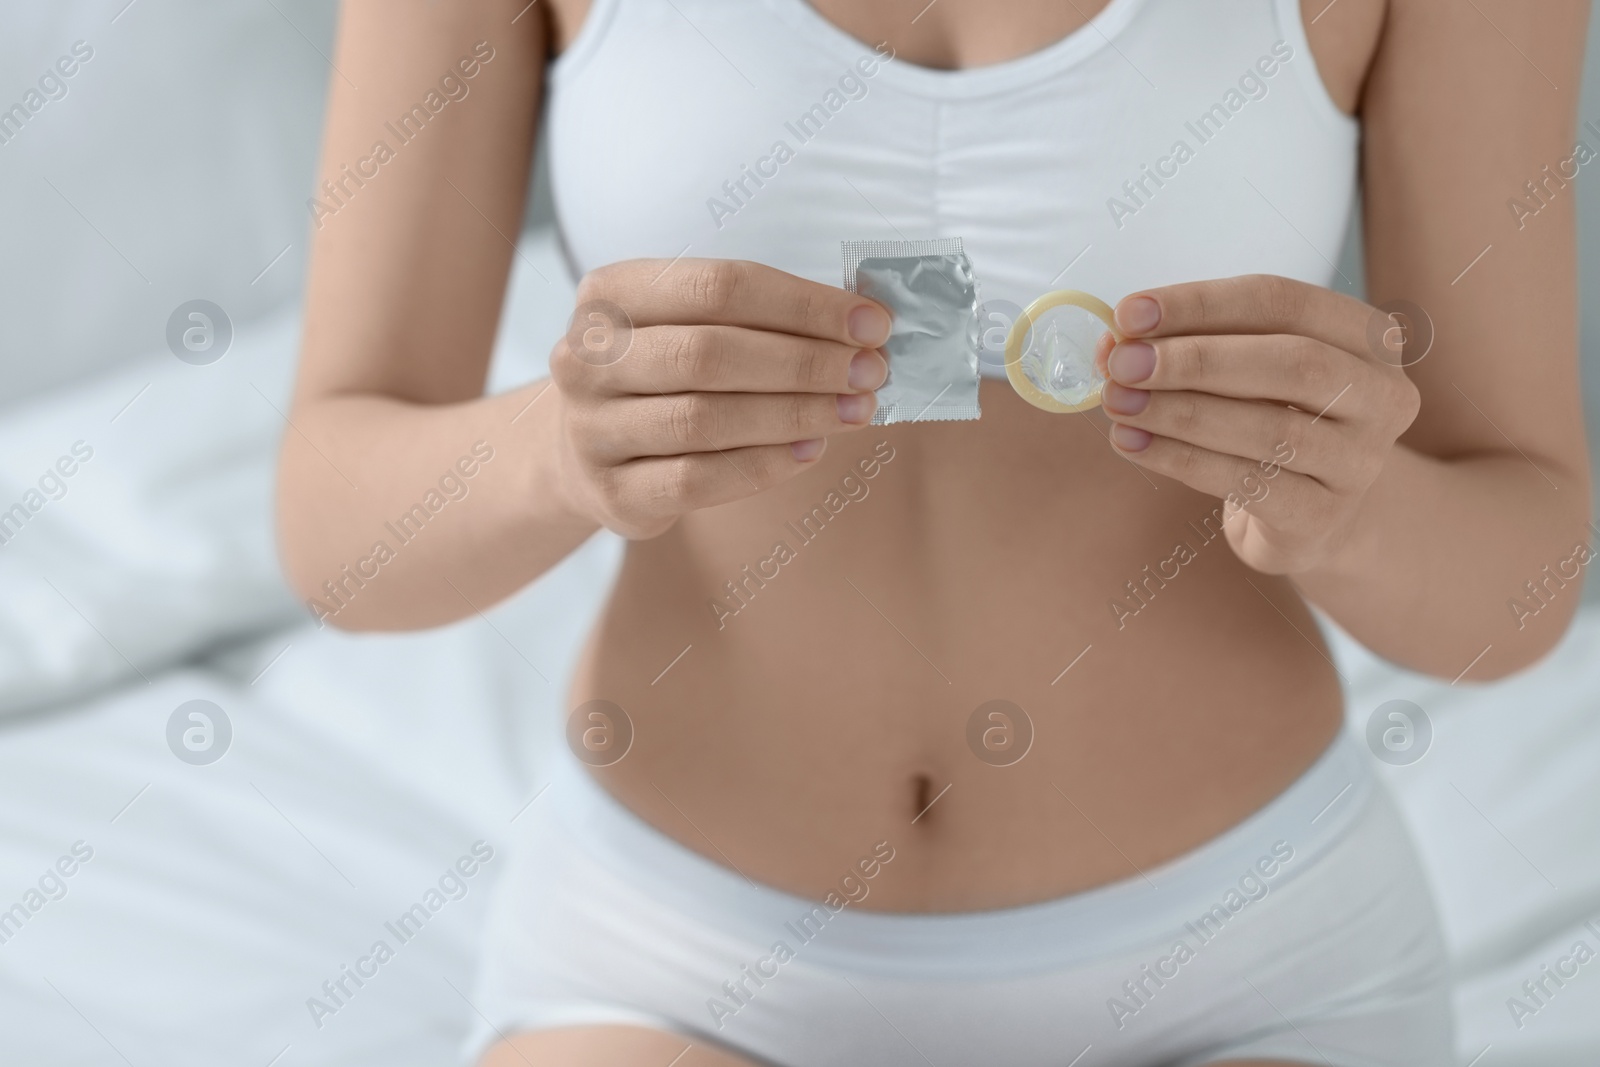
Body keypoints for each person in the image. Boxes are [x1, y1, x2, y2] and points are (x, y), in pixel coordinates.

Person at [277, 0, 1591, 1063]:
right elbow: (335, 530)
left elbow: (1521, 581)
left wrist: (1358, 507)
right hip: (675, 971)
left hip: (1237, 976)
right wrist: (552, 453)